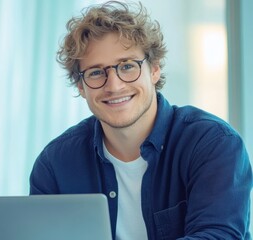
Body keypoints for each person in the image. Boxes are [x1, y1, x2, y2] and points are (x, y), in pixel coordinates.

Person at [29, 1, 252, 239]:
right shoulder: (55, 164)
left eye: (127, 66)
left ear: (154, 69)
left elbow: (218, 235)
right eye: (95, 72)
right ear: (81, 87)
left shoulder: (212, 143)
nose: (114, 85)